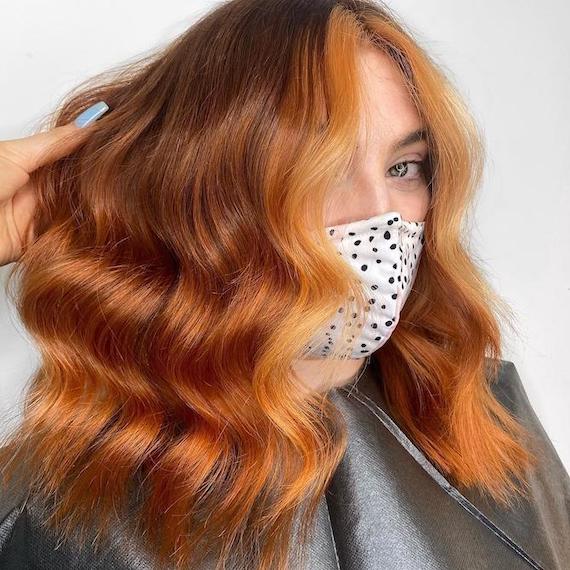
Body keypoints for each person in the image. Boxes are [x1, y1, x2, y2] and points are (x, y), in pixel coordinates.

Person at [0, 1, 568, 569]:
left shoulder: (484, 410)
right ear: (212, 197)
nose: (379, 213)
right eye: (325, 169)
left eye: (404, 167)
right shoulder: (61, 502)